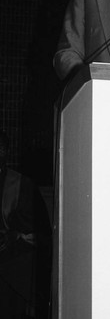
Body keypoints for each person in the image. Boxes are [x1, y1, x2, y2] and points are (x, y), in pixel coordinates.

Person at [0, 130, 52, 318]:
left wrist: (13, 235)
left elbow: (37, 232)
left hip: (12, 263)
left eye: (0, 148)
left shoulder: (21, 184)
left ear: (5, 151)